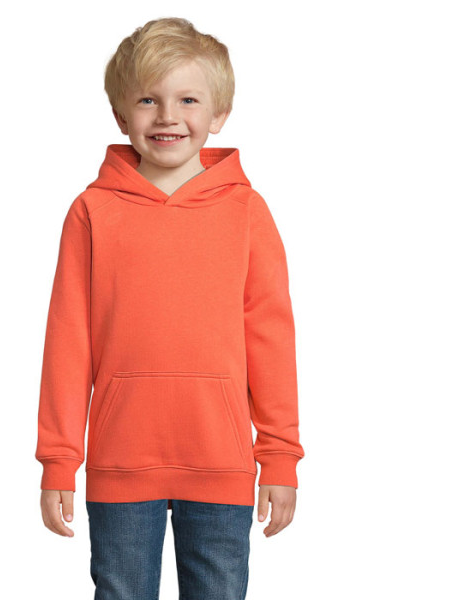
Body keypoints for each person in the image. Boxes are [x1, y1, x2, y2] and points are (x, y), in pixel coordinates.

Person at [35, 16, 305, 599]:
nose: (166, 116)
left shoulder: (246, 212)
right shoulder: (91, 212)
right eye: (147, 99)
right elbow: (67, 343)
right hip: (120, 462)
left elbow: (271, 340)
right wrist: (59, 459)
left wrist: (280, 456)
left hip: (221, 460)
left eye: (188, 99)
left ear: (219, 113)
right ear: (119, 114)